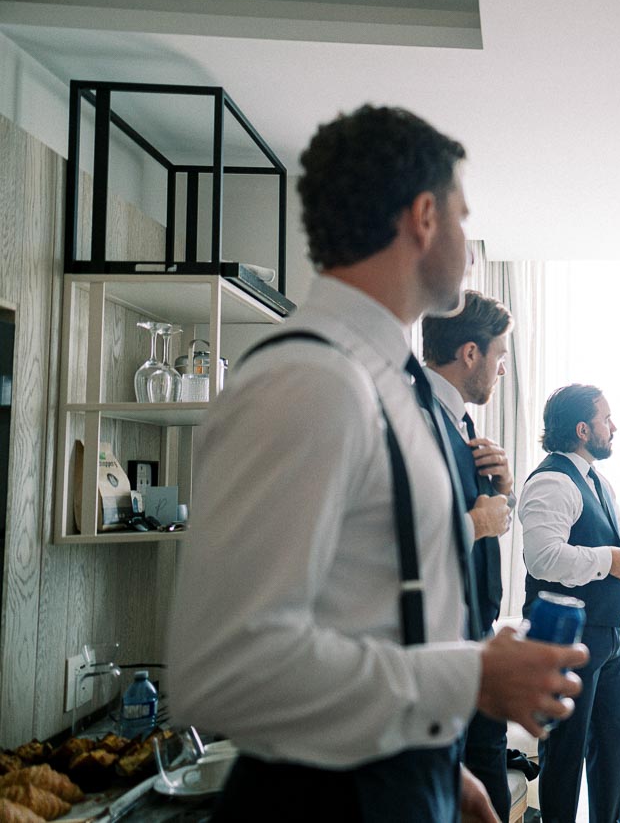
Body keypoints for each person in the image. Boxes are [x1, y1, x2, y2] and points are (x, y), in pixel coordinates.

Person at [167, 105, 585, 823]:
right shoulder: (310, 382)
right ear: (424, 217)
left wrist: (432, 766)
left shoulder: (393, 385)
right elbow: (226, 673)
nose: (470, 246)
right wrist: (471, 675)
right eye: (462, 215)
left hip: (396, 781)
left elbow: (372, 610)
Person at [519, 384, 620, 823]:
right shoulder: (551, 482)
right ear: (582, 429)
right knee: (566, 746)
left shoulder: (595, 478)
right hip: (568, 636)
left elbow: (617, 524)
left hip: (608, 634)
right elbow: (542, 557)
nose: (614, 427)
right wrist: (606, 560)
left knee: (610, 737)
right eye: (606, 419)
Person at [422, 292, 517, 822]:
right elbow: (403, 540)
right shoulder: (417, 416)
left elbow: (483, 513)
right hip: (442, 646)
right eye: (498, 357)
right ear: (470, 355)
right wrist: (479, 523)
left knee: (490, 787)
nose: (501, 370)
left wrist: (502, 490)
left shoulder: (460, 425)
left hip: (475, 636)